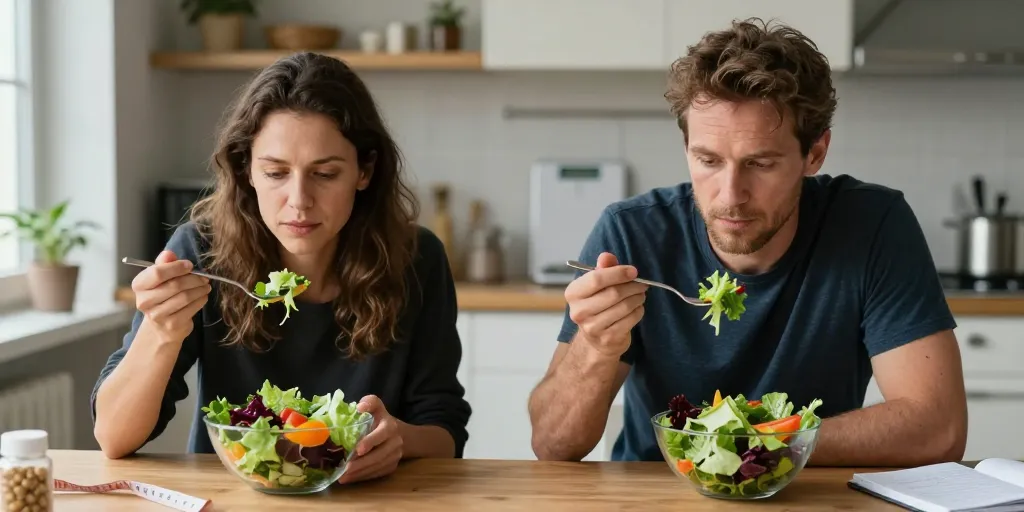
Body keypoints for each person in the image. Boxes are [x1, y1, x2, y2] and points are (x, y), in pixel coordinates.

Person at [528, 19, 967, 467]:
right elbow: (553, 445)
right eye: (708, 160)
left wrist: (756, 445)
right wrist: (596, 346)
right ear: (686, 150)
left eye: (760, 163)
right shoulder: (631, 234)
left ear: (814, 154)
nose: (731, 195)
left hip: (809, 495)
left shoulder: (872, 225)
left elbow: (937, 428)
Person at [92, 52, 472, 483]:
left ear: (364, 171)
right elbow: (113, 438)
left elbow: (446, 434)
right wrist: (160, 334)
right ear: (246, 170)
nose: (299, 200)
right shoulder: (201, 252)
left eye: (325, 174)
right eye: (275, 172)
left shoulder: (416, 259)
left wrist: (400, 439)